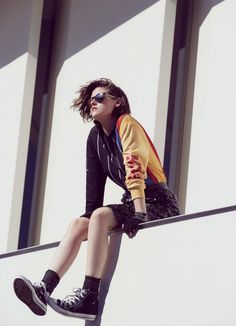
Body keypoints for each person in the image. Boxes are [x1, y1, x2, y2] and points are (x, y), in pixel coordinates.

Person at [13, 78, 180, 321]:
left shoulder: (127, 124)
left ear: (117, 102)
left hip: (157, 201)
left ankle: (89, 296)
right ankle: (44, 289)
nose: (94, 101)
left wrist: (140, 213)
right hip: (132, 201)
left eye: (100, 97)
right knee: (79, 223)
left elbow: (135, 169)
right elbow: (94, 182)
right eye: (91, 99)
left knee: (101, 216)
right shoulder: (95, 137)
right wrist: (88, 216)